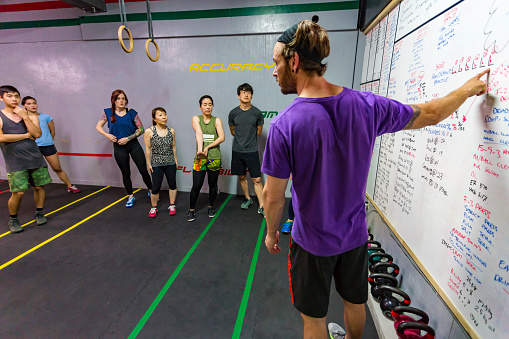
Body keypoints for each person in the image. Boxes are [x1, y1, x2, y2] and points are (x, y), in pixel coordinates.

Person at [261, 19, 489, 339]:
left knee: (314, 321)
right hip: (354, 238)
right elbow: (432, 113)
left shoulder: (284, 125)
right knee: (355, 302)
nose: (274, 71)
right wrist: (467, 89)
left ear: (294, 62)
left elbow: (273, 197)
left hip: (311, 244)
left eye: (276, 63)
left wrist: (272, 233)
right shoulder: (366, 105)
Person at [0, 86, 52, 233]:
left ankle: (39, 213)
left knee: (39, 187)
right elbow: (1, 137)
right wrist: (24, 136)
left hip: (35, 157)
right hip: (15, 161)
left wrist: (25, 116)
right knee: (18, 193)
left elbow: (37, 134)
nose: (14, 99)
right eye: (9, 96)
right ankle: (13, 219)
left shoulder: (30, 116)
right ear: (1, 98)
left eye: (16, 96)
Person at [96, 89, 153, 207]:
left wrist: (128, 138)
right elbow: (98, 126)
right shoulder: (107, 112)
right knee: (126, 173)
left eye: (123, 98)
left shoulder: (132, 112)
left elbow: (141, 129)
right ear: (114, 101)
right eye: (118, 98)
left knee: (143, 170)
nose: (121, 101)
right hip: (119, 147)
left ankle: (151, 191)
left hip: (133, 145)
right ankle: (130, 196)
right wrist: (107, 135)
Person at [22, 96, 81, 194]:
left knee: (57, 168)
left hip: (47, 146)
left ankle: (70, 186)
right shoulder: (22, 118)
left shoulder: (46, 117)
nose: (32, 105)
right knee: (34, 171)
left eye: (34, 103)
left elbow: (52, 132)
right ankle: (38, 192)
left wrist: (47, 141)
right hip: (32, 147)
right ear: (23, 105)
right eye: (29, 103)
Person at [228, 83, 265, 216]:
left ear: (251, 95)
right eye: (243, 92)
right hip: (237, 151)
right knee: (242, 176)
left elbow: (259, 132)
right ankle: (248, 198)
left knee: (257, 179)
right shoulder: (233, 113)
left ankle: (261, 205)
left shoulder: (257, 113)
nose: (246, 94)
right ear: (239, 95)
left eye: (248, 92)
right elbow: (233, 131)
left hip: (252, 151)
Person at [187, 95, 225, 222]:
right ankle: (192, 209)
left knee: (212, 184)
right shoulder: (196, 118)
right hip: (200, 157)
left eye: (210, 104)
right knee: (196, 185)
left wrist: (207, 147)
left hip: (214, 157)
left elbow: (221, 137)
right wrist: (200, 149)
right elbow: (199, 132)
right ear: (200, 107)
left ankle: (211, 206)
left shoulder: (217, 120)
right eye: (205, 104)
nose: (208, 107)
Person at [144, 107, 178, 218]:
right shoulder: (149, 131)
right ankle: (154, 207)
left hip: (170, 163)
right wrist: (149, 164)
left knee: (172, 184)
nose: (164, 117)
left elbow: (173, 146)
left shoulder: (171, 131)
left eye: (165, 114)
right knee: (155, 187)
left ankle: (172, 205)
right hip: (156, 164)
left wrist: (175, 161)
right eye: (160, 115)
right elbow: (148, 148)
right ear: (154, 118)